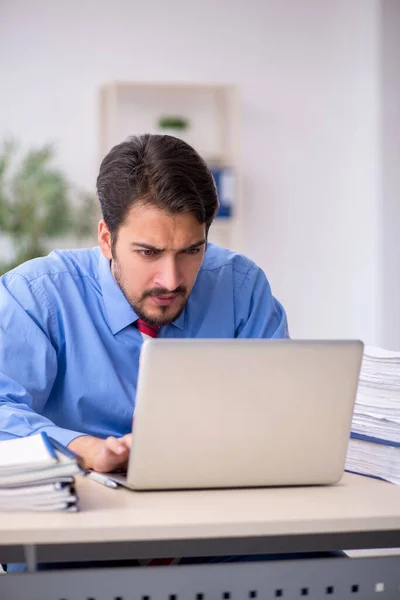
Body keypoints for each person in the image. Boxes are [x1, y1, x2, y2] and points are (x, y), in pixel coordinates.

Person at [0, 134, 289, 473]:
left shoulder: (240, 287)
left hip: (213, 496)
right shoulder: (36, 295)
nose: (170, 280)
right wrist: (86, 450)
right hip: (84, 505)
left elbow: (277, 408)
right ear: (107, 240)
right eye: (148, 253)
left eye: (191, 251)